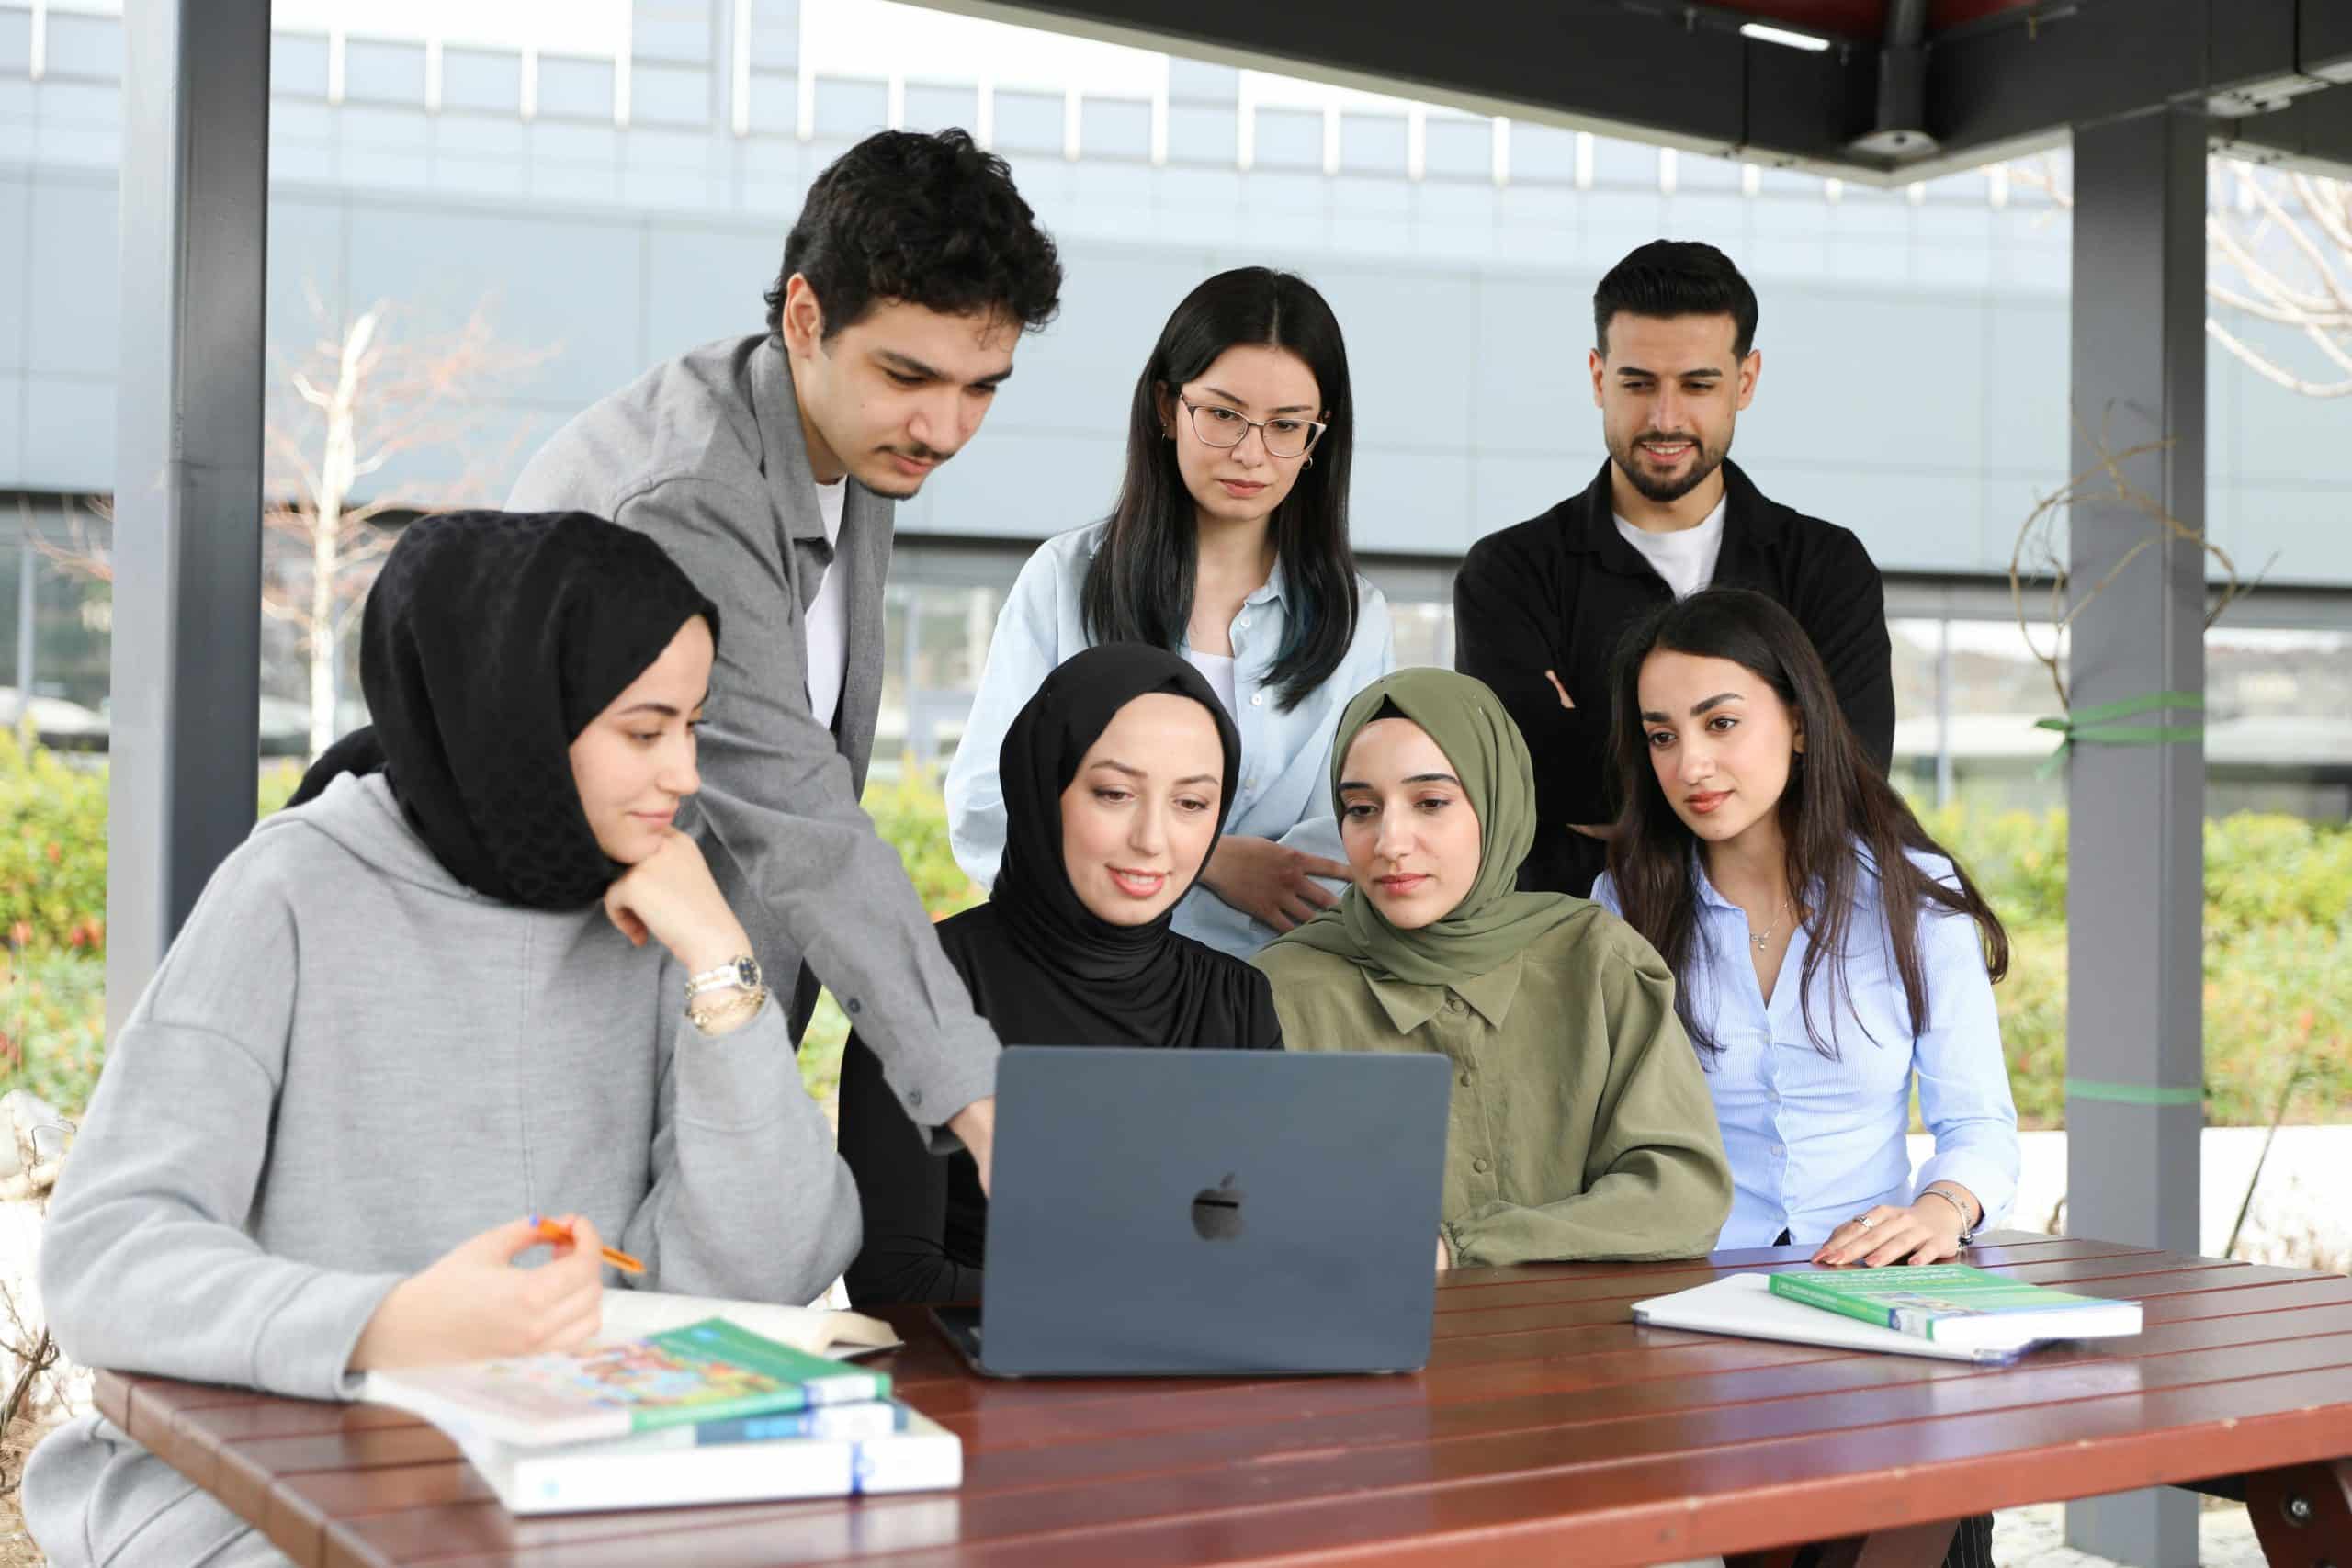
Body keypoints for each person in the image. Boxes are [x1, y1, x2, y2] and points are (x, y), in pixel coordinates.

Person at [22, 513, 859, 1568]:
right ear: (515, 711)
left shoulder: (660, 904)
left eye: (693, 726)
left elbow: (760, 1269)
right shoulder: (291, 890)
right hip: (269, 1480)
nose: (685, 774)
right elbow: (109, 1256)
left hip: (574, 1477)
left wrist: (722, 964)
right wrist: (389, 1325)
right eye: (646, 732)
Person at [506, 128, 1067, 1183]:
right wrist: (978, 1098)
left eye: (982, 387)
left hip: (691, 1035)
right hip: (566, 1060)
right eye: (909, 373)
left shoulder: (853, 444)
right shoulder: (686, 496)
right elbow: (798, 812)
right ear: (804, 316)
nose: (944, 427)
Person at [1593, 589, 2013, 1568]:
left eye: (1721, 723)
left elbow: (1981, 1125)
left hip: (1882, 1303)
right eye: (1660, 736)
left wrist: (1942, 1210)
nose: (1689, 765)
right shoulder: (1622, 907)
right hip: (1695, 1319)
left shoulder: (1913, 904)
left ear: (1797, 722)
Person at [946, 267, 1395, 959]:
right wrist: (1212, 862)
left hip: (1276, 993)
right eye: (1222, 414)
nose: (1251, 452)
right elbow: (989, 811)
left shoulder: (1357, 618)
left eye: (1286, 427)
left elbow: (1350, 834)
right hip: (1086, 980)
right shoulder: (1066, 581)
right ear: (1166, 406)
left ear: (1318, 439)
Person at [839, 645, 1281, 1305]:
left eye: (1191, 802)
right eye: (1114, 793)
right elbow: (894, 1281)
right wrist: (1133, 1308)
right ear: (1043, 786)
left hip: (1192, 1385)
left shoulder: (1237, 998)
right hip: (976, 1389)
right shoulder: (924, 986)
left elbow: (1259, 1247)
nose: (1153, 839)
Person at [1453, 239, 1894, 898]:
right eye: (1637, 383)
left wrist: (1605, 752)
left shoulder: (1827, 570)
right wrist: (1755, 769)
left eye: (1697, 384)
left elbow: (1850, 778)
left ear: (1744, 382)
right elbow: (1523, 787)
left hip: (1788, 962)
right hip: (1579, 965)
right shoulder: (1509, 574)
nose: (1665, 417)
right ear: (1599, 378)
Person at [1252, 669, 1730, 1269]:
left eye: (1430, 803)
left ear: (1497, 801)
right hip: (1358, 1351)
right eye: (1361, 809)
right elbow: (1246, 1218)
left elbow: (1683, 1194)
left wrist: (1462, 1247)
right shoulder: (1277, 990)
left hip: (1585, 1351)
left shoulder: (1597, 958)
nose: (1391, 841)